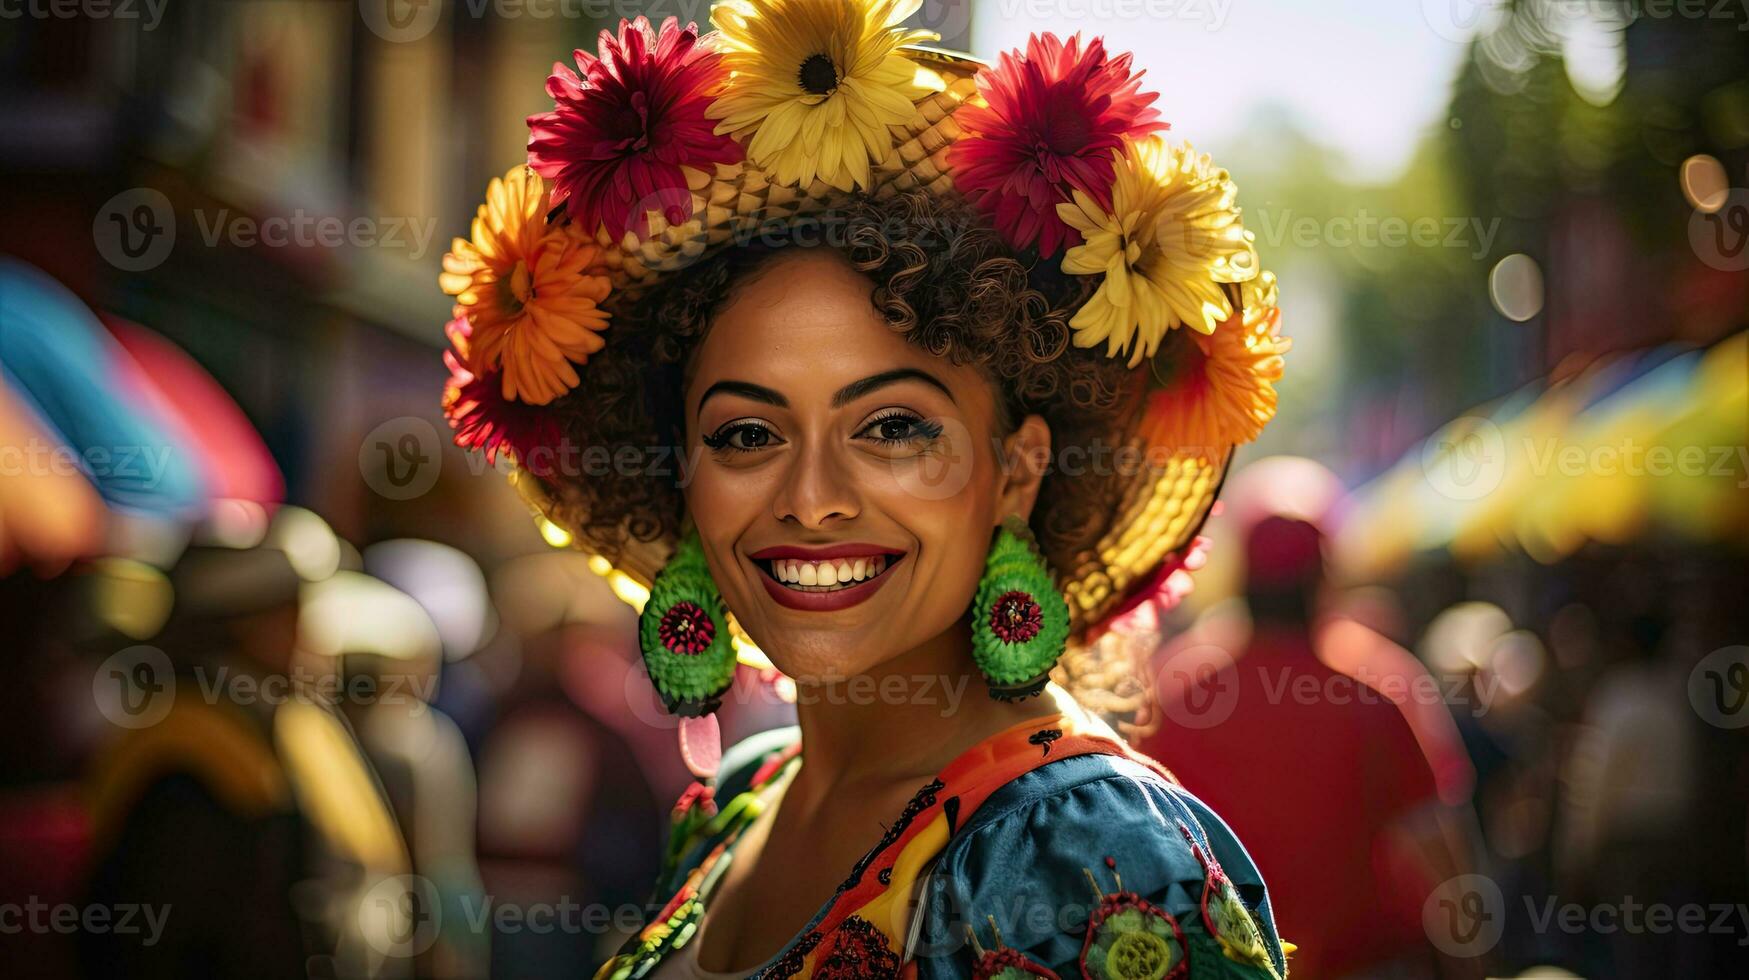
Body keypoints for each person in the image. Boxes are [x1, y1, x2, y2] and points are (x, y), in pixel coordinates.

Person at [435, 6, 1294, 976]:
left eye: (892, 426)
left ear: (1016, 467)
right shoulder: (737, 803)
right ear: (681, 472)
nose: (810, 497)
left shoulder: (1091, 861)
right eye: (747, 433)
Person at [1143, 516, 1463, 980]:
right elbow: (1435, 842)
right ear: (1323, 585)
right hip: (1365, 963)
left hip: (1228, 965)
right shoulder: (1373, 687)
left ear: (1243, 585)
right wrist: (1471, 960)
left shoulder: (1180, 693)